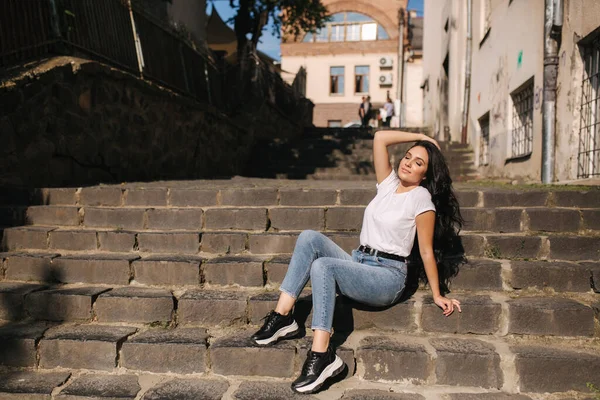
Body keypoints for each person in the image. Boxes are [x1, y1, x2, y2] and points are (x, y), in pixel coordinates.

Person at [251, 130, 464, 394]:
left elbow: (426, 251)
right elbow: (380, 138)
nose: (408, 163)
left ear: (426, 174)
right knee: (309, 238)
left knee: (323, 266)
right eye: (407, 156)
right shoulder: (388, 184)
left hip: (388, 276)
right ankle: (283, 317)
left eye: (418, 162)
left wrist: (437, 293)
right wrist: (420, 134)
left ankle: (322, 356)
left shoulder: (420, 198)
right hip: (360, 261)